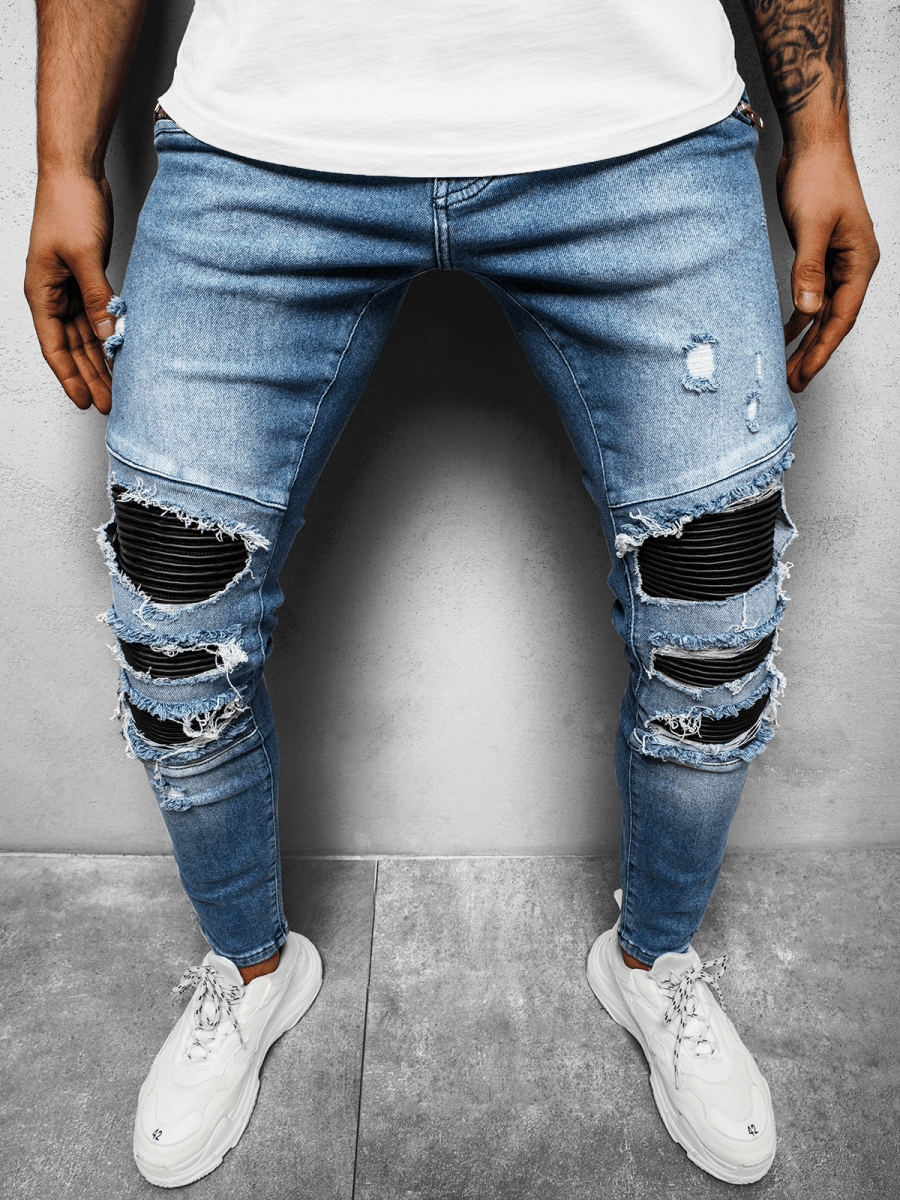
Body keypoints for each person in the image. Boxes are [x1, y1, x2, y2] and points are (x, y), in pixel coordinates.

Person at [24, 0, 878, 1189]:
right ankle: (252, 971)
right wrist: (64, 159)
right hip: (266, 138)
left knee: (715, 612)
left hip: (640, 129)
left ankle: (655, 966)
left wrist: (821, 132)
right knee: (174, 612)